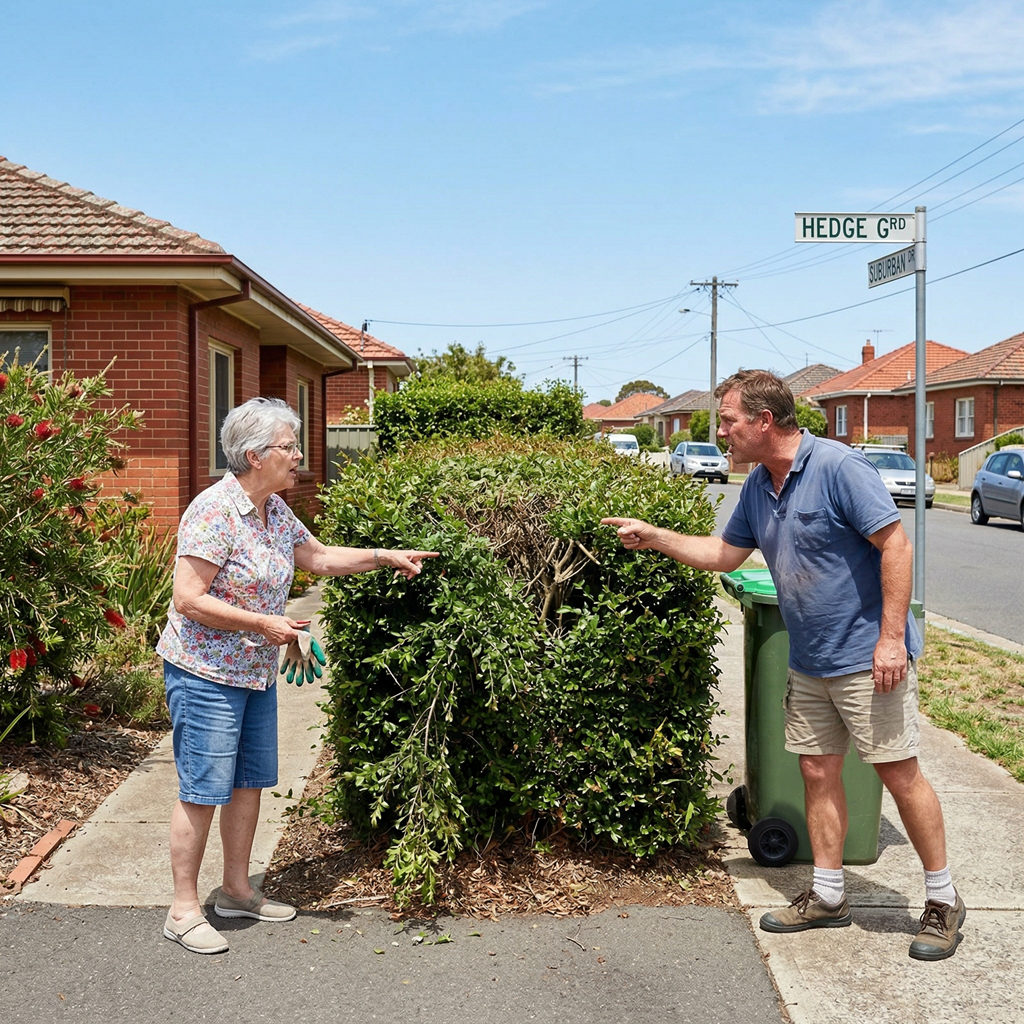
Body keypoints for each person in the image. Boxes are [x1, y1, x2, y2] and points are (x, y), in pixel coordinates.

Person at [602, 369, 965, 962]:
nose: (721, 432)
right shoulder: (758, 486)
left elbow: (895, 545)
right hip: (809, 657)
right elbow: (724, 555)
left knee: (898, 773)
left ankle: (943, 899)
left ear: (764, 421)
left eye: (728, 421)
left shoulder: (838, 469)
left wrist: (891, 639)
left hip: (868, 657)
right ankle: (827, 895)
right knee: (818, 774)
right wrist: (655, 535)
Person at [156, 397, 437, 954]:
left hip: (254, 671)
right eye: (290, 447)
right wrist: (266, 622)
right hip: (205, 671)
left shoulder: (274, 511)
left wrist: (385, 555)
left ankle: (236, 890)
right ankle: (183, 907)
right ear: (256, 455)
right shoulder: (214, 512)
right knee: (201, 789)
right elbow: (187, 599)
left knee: (249, 781)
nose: (300, 456)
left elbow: (320, 558)